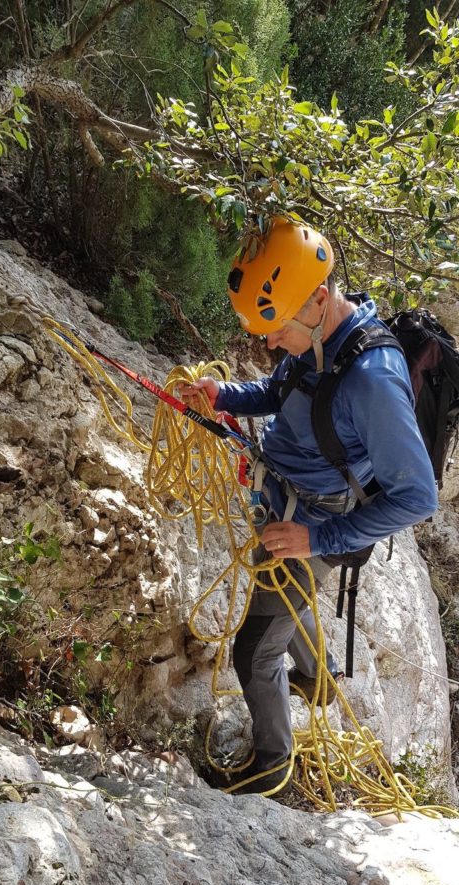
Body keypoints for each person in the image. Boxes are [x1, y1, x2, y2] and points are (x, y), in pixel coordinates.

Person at [181, 216, 438, 796]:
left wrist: (315, 540)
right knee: (287, 603)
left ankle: (272, 761)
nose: (269, 342)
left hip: (315, 523)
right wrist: (223, 397)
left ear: (319, 299)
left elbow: (418, 496)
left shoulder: (372, 380)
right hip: (284, 505)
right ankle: (318, 679)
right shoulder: (322, 337)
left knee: (252, 649)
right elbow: (278, 391)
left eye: (276, 329)